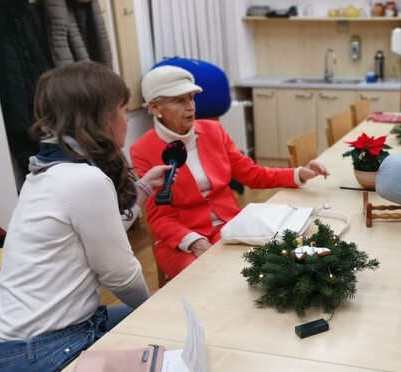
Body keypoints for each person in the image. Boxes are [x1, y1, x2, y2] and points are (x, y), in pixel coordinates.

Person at [0, 61, 170, 372]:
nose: (127, 118)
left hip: (15, 339)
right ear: (101, 118)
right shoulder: (83, 179)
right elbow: (120, 275)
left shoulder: (45, 169)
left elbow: (101, 231)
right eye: (121, 108)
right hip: (37, 351)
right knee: (165, 332)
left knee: (161, 320)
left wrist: (143, 189)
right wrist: (152, 305)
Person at [130, 65, 330, 278]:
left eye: (191, 98)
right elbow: (160, 218)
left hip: (230, 227)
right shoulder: (143, 150)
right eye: (180, 101)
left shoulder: (213, 131)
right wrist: (193, 241)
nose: (191, 107)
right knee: (208, 279)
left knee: (267, 269)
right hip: (182, 241)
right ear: (155, 107)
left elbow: (252, 173)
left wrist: (298, 173)